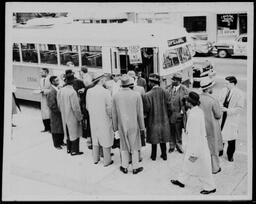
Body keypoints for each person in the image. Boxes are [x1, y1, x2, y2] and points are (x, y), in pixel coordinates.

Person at [170, 91, 216, 195]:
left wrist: (194, 153)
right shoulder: (197, 111)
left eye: (186, 100)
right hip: (196, 145)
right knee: (187, 164)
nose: (185, 101)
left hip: (197, 146)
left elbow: (195, 135)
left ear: (190, 103)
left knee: (202, 168)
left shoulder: (194, 115)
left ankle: (210, 187)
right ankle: (181, 181)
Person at [112, 74, 145, 174]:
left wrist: (115, 127)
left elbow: (114, 114)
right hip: (134, 124)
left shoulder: (116, 96)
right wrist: (142, 127)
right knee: (134, 145)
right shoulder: (136, 95)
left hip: (121, 124)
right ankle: (135, 167)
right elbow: (140, 113)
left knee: (124, 145)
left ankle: (124, 166)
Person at [86, 73, 114, 167]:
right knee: (106, 137)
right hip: (104, 119)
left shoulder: (89, 91)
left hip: (93, 118)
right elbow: (110, 108)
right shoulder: (106, 92)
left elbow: (87, 106)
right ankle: (107, 160)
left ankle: (95, 158)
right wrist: (111, 117)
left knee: (95, 137)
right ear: (101, 80)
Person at [143, 74, 171, 161]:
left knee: (153, 138)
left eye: (149, 82)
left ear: (151, 83)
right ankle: (164, 154)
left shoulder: (147, 95)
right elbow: (170, 107)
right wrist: (167, 116)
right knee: (163, 138)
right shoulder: (166, 92)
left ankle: (153, 156)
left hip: (153, 120)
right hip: (164, 120)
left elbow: (146, 110)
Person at [218, 76, 244, 162]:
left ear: (233, 84)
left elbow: (240, 108)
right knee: (220, 135)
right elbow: (220, 100)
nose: (225, 85)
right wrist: (220, 106)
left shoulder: (239, 93)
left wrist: (228, 110)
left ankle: (230, 155)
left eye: (227, 83)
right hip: (223, 117)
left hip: (231, 118)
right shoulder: (223, 90)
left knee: (231, 139)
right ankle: (220, 151)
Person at [57, 71, 83, 156]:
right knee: (74, 133)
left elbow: (59, 103)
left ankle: (68, 149)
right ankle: (74, 151)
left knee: (67, 132)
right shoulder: (72, 92)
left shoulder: (61, 90)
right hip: (72, 116)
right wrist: (79, 117)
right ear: (73, 82)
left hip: (64, 115)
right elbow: (76, 108)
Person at [199, 78, 223, 174]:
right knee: (213, 148)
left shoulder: (198, 98)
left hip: (201, 126)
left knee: (203, 147)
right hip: (212, 128)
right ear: (209, 88)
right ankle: (215, 168)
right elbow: (218, 115)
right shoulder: (213, 100)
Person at [166, 73, 189, 154]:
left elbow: (188, 101)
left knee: (178, 130)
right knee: (171, 130)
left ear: (178, 81)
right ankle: (171, 146)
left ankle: (179, 145)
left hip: (179, 113)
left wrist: (183, 110)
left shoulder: (184, 89)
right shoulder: (169, 88)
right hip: (170, 114)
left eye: (173, 80)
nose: (172, 81)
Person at [46, 76, 65, 150]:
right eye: (56, 80)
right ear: (53, 82)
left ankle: (61, 142)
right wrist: (59, 111)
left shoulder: (56, 89)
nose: (58, 81)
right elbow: (51, 105)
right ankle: (56, 144)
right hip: (55, 113)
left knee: (60, 128)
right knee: (56, 128)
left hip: (59, 112)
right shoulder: (51, 91)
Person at [39, 68, 51, 132]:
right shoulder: (41, 80)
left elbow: (52, 89)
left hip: (48, 98)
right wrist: (39, 90)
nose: (40, 73)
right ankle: (46, 128)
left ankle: (50, 128)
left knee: (49, 113)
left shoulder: (50, 79)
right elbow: (40, 87)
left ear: (46, 72)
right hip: (43, 98)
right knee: (44, 113)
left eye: (42, 72)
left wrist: (45, 91)